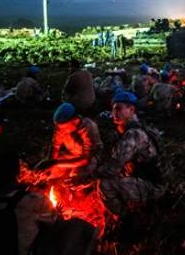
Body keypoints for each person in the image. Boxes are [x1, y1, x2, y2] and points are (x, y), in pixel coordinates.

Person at [94, 91, 168, 239]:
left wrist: (90, 175)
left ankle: (128, 221)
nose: (114, 112)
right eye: (113, 108)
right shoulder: (141, 128)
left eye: (118, 108)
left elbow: (112, 168)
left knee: (104, 185)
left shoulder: (133, 134)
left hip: (153, 184)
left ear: (131, 110)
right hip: (152, 177)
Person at [37, 103, 104, 185]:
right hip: (72, 154)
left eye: (64, 128)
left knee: (75, 177)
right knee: (40, 170)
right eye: (59, 128)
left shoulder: (88, 127)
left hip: (91, 157)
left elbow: (86, 159)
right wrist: (49, 167)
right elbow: (55, 147)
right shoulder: (61, 126)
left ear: (75, 121)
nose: (61, 131)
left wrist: (55, 163)